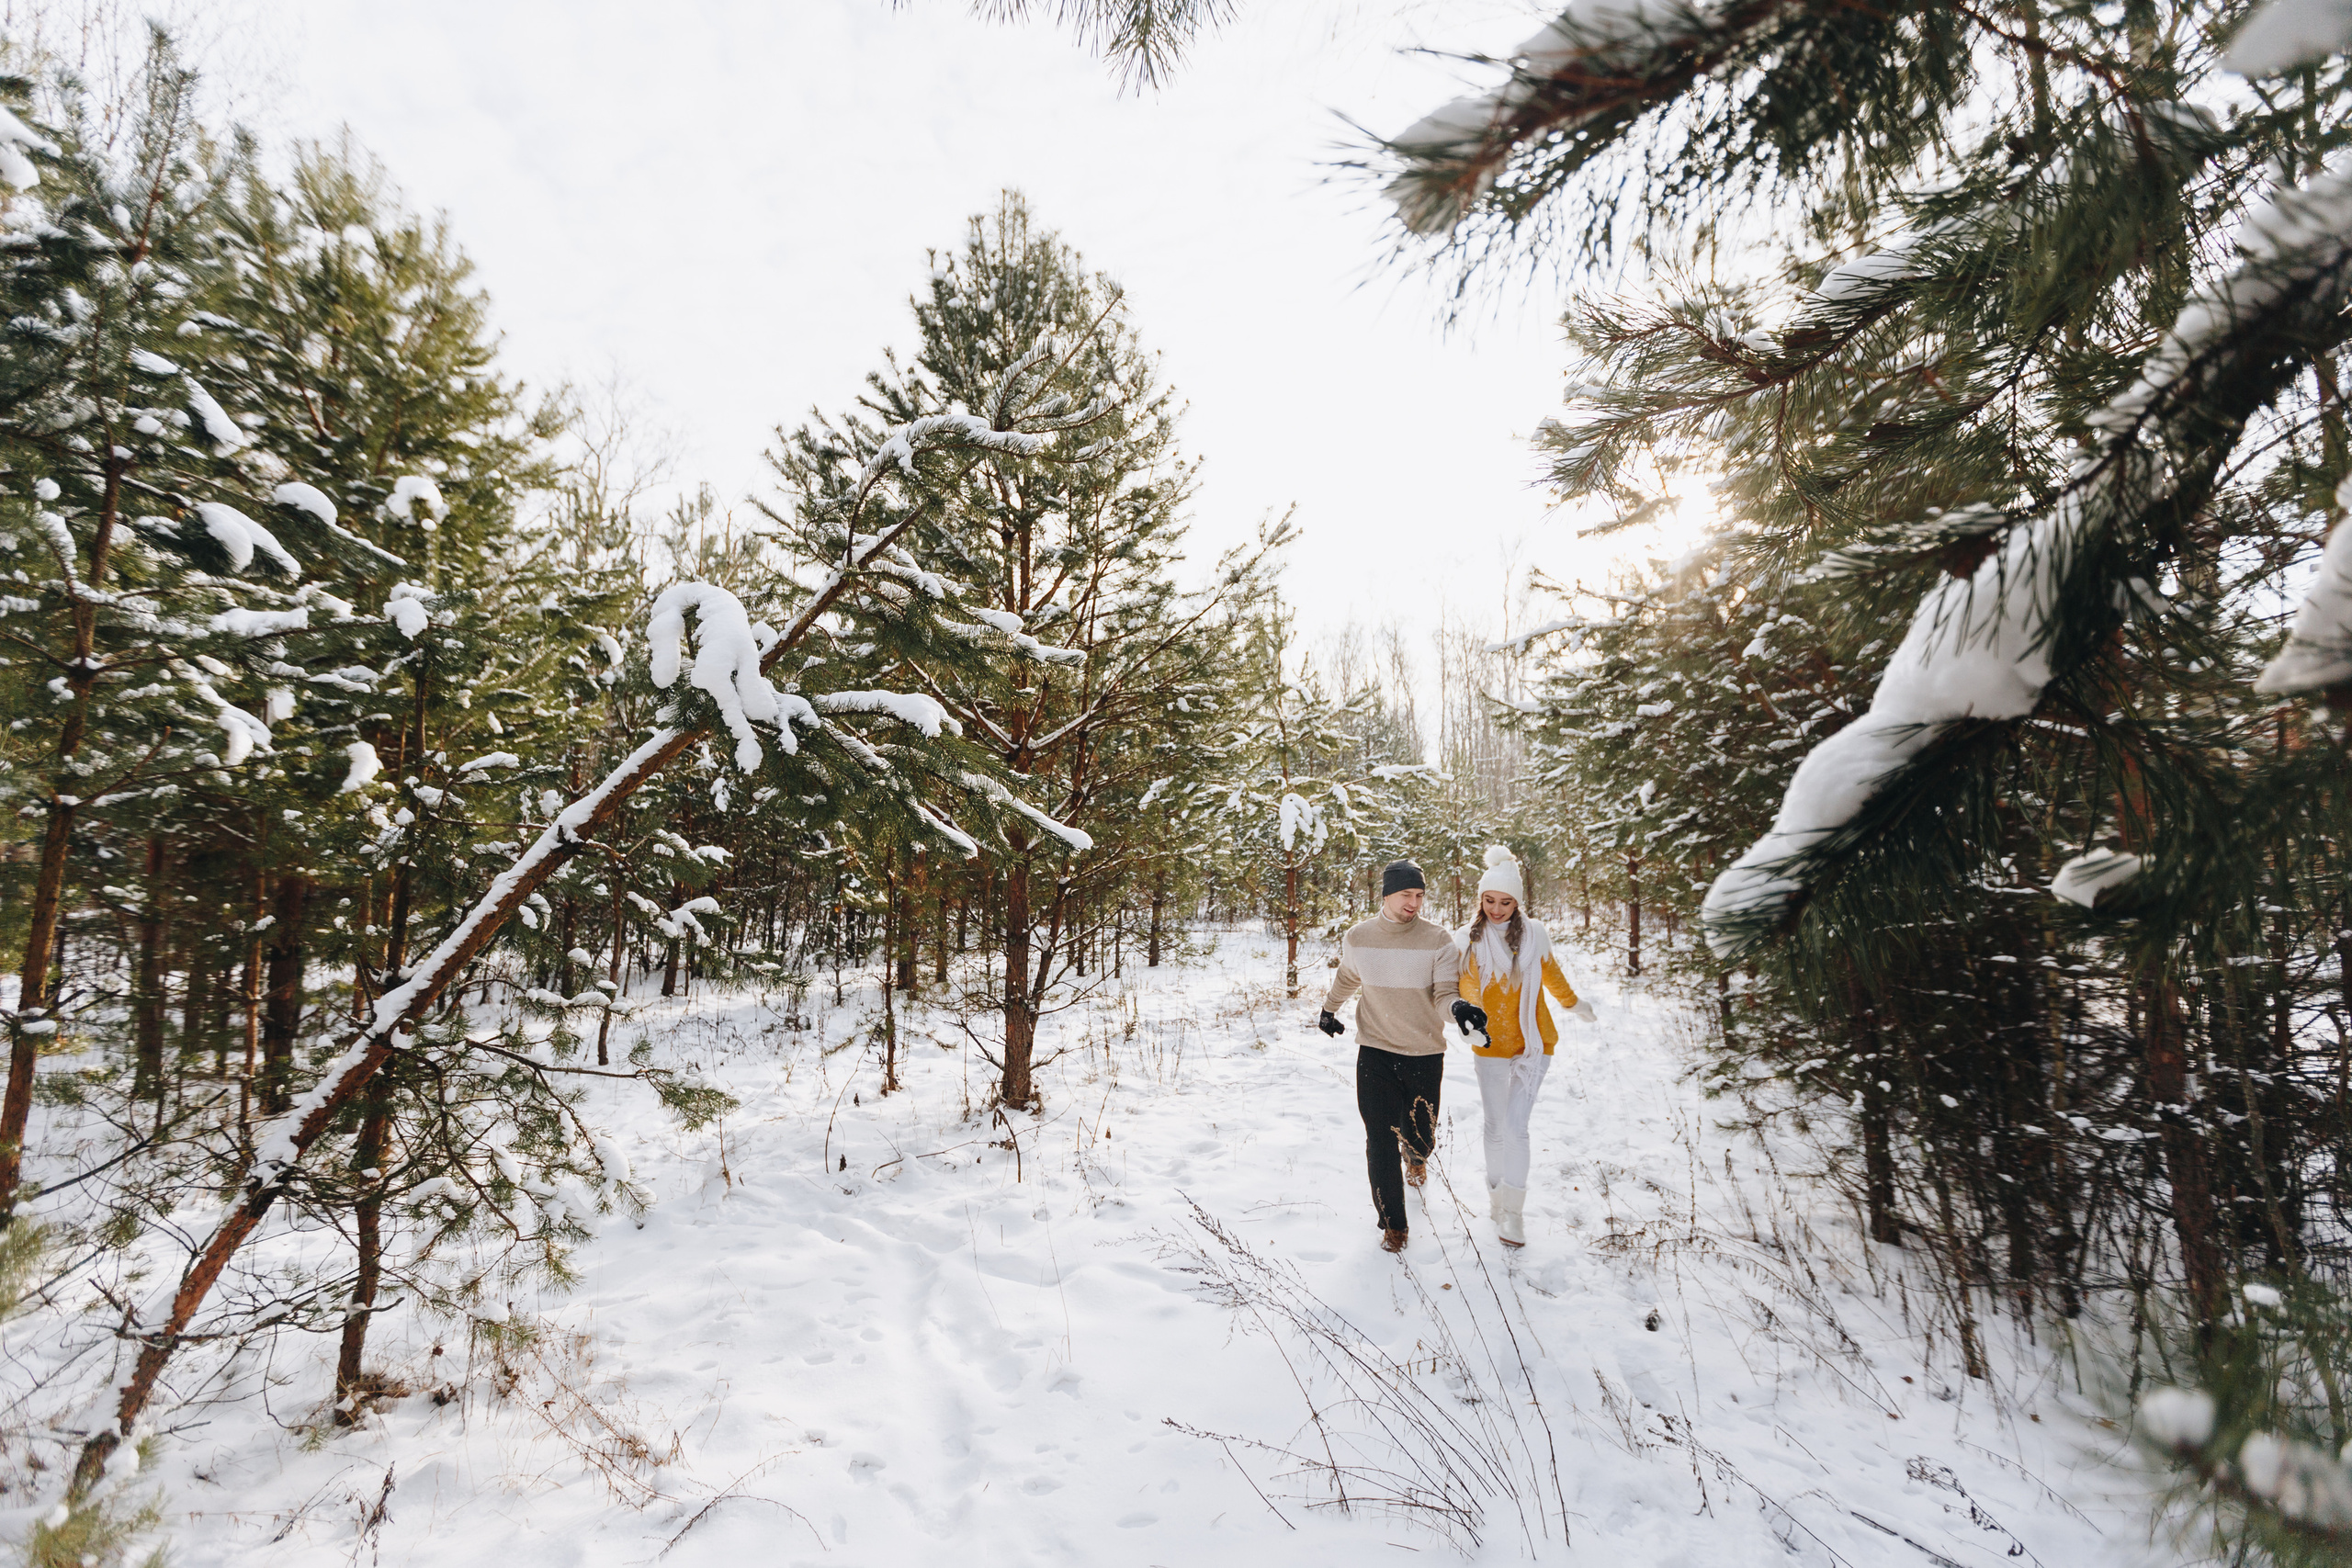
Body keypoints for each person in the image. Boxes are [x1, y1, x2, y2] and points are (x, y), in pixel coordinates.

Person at [1450, 846, 1593, 1248]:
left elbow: (1554, 977)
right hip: (1491, 1044)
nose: (1496, 909)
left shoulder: (1535, 936)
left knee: (1517, 1127)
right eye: (1490, 900)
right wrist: (1471, 1021)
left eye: (1505, 902)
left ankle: (1513, 1213)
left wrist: (1574, 1005)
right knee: (1495, 1127)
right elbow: (1468, 987)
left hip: (1535, 1043)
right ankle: (1497, 1201)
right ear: (1481, 899)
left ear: (1518, 902)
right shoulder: (1469, 940)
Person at [1317, 859, 1460, 1254]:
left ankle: (1416, 1155)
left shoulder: (1438, 940)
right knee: (1378, 1140)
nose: (1414, 903)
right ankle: (1393, 1223)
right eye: (1406, 895)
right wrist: (1329, 1009)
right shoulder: (1359, 936)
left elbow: (1446, 994)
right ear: (1386, 894)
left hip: (1424, 1053)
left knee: (1420, 1137)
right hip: (1375, 1051)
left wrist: (1459, 1010)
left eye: (1419, 895)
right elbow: (1349, 975)